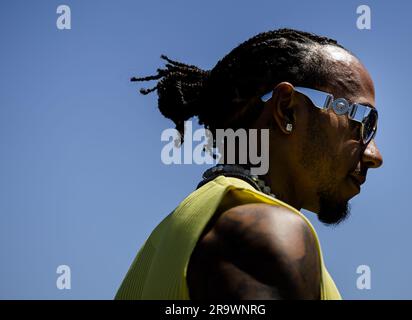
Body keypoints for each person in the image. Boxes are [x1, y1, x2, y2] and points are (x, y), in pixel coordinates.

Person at [115, 28, 383, 300]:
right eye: (361, 121)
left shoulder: (167, 239)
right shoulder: (268, 237)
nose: (374, 155)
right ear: (286, 110)